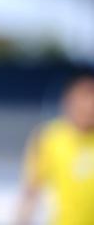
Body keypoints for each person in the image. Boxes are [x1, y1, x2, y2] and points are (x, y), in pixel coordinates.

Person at [16, 73, 94, 225]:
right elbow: (31, 192)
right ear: (68, 100)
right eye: (85, 95)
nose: (90, 104)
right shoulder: (49, 138)